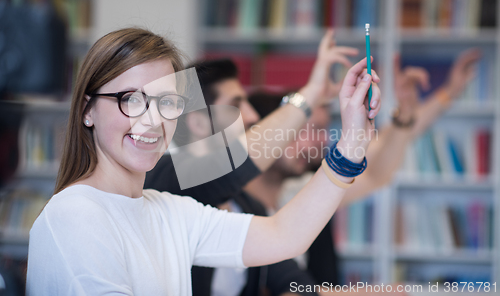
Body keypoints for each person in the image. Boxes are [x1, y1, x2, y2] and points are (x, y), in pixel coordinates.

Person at [26, 27, 381, 295]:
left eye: (166, 102)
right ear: (87, 109)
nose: (152, 120)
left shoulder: (170, 211)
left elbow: (284, 234)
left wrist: (352, 141)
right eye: (131, 99)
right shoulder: (77, 214)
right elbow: (242, 156)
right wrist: (309, 96)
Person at [243, 48, 481, 288]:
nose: (318, 141)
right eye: (307, 129)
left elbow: (376, 170)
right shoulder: (230, 210)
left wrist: (425, 106)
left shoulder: (294, 191)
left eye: (322, 130)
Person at [144, 31, 357, 295]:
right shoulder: (168, 177)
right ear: (198, 122)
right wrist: (311, 93)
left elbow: (294, 283)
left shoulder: (247, 205)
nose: (252, 115)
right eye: (236, 104)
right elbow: (235, 162)